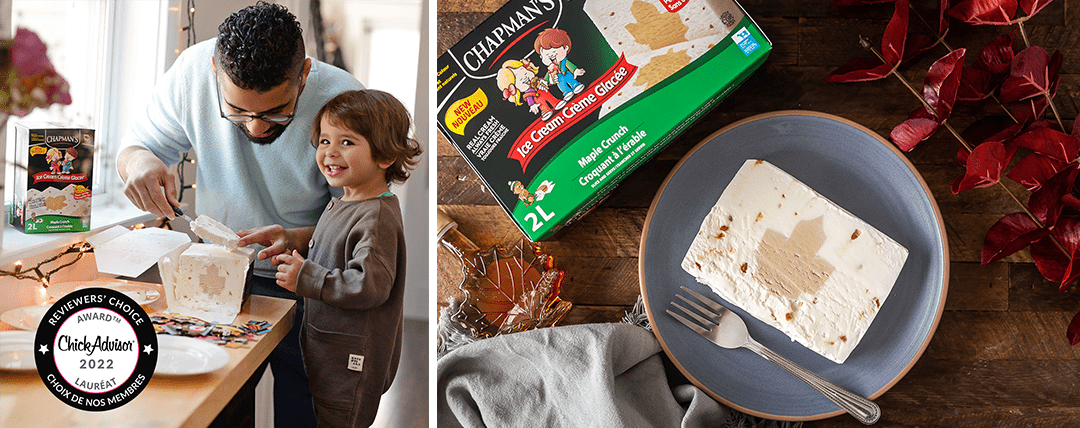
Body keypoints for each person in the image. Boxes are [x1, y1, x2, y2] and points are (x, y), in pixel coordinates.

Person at [116, 2, 362, 426]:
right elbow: (138, 148)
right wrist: (140, 165)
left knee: (307, 411)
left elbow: (365, 216)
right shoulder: (192, 72)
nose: (255, 129)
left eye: (275, 112)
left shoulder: (347, 99)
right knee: (218, 407)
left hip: (311, 281)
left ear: (303, 74)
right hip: (215, 281)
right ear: (214, 69)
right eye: (238, 111)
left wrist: (299, 238)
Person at [244, 89, 421, 427]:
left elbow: (369, 285)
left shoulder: (376, 217)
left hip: (351, 365)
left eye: (347, 143)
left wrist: (306, 278)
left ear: (385, 156)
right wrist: (293, 237)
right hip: (329, 353)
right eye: (324, 141)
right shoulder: (348, 201)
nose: (330, 152)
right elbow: (333, 240)